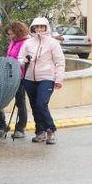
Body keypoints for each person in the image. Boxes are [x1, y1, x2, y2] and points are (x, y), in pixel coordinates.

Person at [19, 17, 65, 145]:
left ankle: (50, 130)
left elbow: (60, 62)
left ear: (46, 28)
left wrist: (59, 79)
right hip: (29, 79)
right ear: (33, 28)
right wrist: (24, 61)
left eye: (42, 27)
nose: (39, 29)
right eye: (36, 27)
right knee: (34, 106)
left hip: (47, 78)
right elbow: (20, 59)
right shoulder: (28, 43)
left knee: (41, 104)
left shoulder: (53, 43)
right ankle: (40, 132)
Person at [0, 21, 30, 139]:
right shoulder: (13, 42)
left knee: (20, 102)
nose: (10, 36)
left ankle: (20, 128)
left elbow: (25, 61)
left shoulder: (27, 43)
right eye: (9, 34)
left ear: (18, 32)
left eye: (12, 34)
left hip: (20, 77)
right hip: (8, 76)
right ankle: (2, 125)